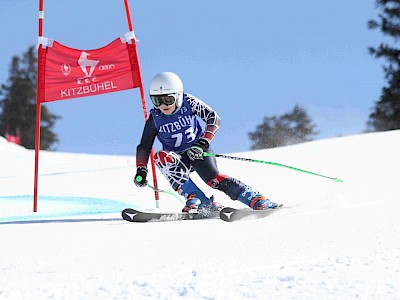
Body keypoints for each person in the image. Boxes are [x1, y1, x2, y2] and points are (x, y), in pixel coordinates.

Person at [134, 72, 280, 213]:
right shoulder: (155, 118)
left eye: (168, 100)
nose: (162, 105)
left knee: (213, 180)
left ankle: (257, 199)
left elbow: (213, 118)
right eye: (157, 100)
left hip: (197, 152)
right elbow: (144, 146)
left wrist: (203, 142)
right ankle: (198, 199)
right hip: (178, 159)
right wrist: (141, 170)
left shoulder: (188, 102)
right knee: (161, 157)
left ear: (178, 95)